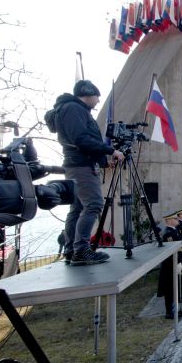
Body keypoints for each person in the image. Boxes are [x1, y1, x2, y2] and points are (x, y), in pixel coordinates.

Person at [53, 80, 124, 266]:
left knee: (77, 208)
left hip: (78, 165)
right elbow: (81, 139)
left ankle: (72, 250)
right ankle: (81, 250)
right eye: (97, 97)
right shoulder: (74, 109)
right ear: (88, 94)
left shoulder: (71, 109)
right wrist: (110, 151)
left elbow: (82, 140)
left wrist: (103, 161)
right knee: (93, 204)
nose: (98, 101)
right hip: (82, 166)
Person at [156, 211, 182, 319]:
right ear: (169, 221)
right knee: (170, 290)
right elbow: (171, 252)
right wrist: (177, 262)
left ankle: (176, 310)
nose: (177, 220)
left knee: (175, 289)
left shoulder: (174, 230)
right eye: (175, 219)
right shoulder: (168, 233)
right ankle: (170, 312)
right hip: (170, 266)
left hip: (176, 263)